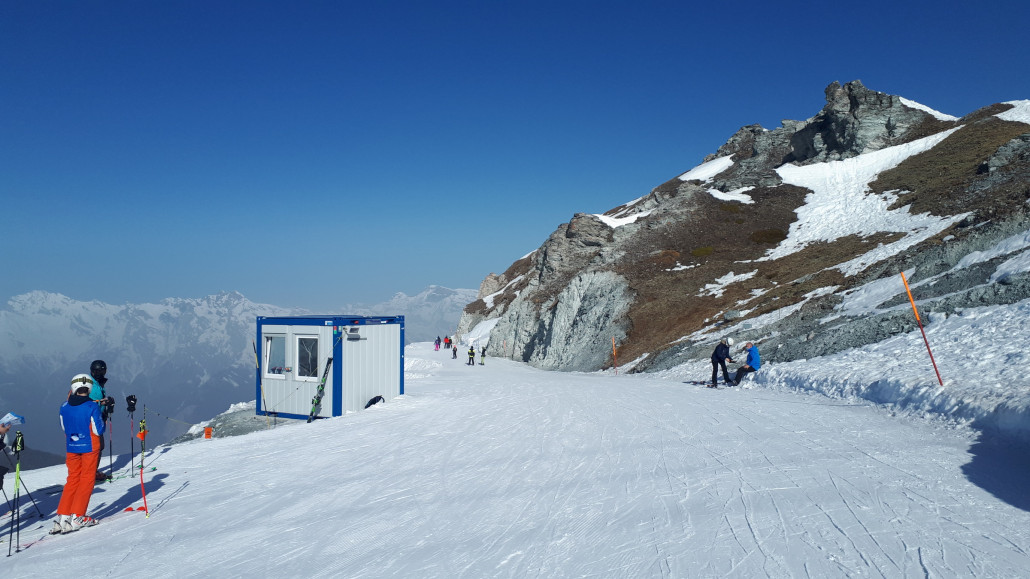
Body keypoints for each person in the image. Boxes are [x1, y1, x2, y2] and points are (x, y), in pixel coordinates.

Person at [52, 376, 105, 534]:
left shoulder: (64, 406)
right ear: (88, 388)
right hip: (90, 446)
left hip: (72, 446)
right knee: (87, 479)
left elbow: (63, 427)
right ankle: (78, 516)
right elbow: (98, 430)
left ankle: (63, 516)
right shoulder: (91, 406)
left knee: (72, 478)